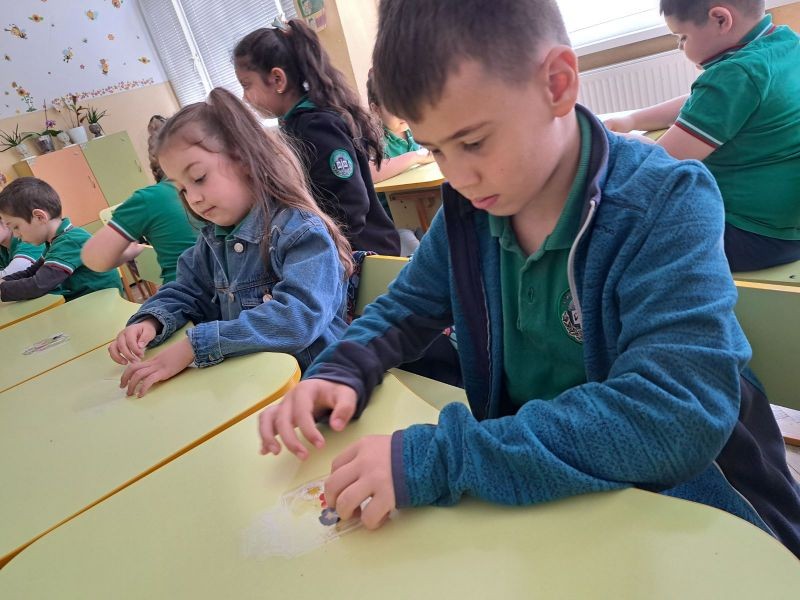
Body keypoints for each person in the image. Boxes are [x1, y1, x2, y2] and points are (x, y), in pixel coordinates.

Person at [257, 0, 800, 557]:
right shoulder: (470, 213)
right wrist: (343, 368)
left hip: (695, 508)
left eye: (473, 142)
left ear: (557, 84)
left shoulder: (666, 200)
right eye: (436, 149)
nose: (458, 176)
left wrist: (442, 457)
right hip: (542, 492)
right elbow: (405, 309)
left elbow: (675, 416)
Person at [108, 88, 352, 398]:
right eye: (182, 189)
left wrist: (195, 346)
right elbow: (187, 290)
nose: (193, 198)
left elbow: (297, 320)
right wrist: (150, 319)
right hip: (251, 385)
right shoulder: (213, 240)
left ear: (245, 160)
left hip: (318, 387)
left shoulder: (300, 232)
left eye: (199, 178)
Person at [604, 1, 800, 272]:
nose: (680, 46)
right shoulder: (785, 44)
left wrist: (608, 139)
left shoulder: (736, 74)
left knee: (615, 226)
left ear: (720, 19)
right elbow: (702, 102)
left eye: (683, 36)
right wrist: (632, 120)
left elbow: (660, 162)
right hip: (785, 230)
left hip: (746, 234)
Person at [233, 19, 401, 256]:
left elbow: (350, 206)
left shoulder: (316, 127)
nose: (245, 98)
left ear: (278, 79)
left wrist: (325, 254)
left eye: (246, 85)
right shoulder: (296, 125)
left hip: (364, 255)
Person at [82, 115, 199, 284]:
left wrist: (130, 252)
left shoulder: (151, 199)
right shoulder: (214, 186)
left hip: (186, 291)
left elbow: (94, 257)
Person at [0, 177, 122, 301]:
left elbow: (39, 285)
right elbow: (31, 272)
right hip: (85, 300)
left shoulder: (70, 241)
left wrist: (2, 289)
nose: (16, 235)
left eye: (16, 227)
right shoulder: (56, 241)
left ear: (39, 217)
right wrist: (4, 280)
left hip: (102, 303)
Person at [366, 68, 434, 255]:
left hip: (424, 206)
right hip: (394, 220)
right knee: (415, 249)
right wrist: (415, 157)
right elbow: (371, 172)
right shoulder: (375, 139)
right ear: (376, 109)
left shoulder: (416, 132)